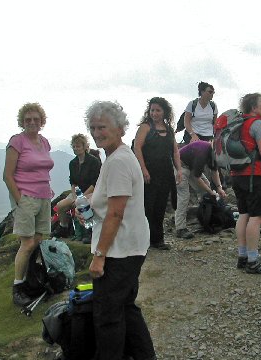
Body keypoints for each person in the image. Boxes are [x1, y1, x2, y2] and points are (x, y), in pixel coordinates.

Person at [84, 100, 156, 360]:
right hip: (130, 246)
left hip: (119, 251)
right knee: (125, 307)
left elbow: (116, 212)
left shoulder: (117, 162)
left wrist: (99, 254)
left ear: (120, 129)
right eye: (92, 127)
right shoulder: (118, 157)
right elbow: (110, 206)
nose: (96, 132)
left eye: (102, 126)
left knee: (107, 316)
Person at [3, 103, 54, 307]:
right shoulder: (17, 142)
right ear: (22, 122)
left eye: (36, 119)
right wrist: (19, 199)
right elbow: (7, 175)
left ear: (42, 121)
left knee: (38, 239)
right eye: (27, 119)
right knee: (27, 244)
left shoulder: (45, 142)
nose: (32, 122)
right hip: (26, 197)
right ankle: (18, 288)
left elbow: (44, 170)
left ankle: (32, 282)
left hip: (43, 196)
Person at [232, 93, 261, 274]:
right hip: (256, 175)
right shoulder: (257, 124)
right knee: (257, 217)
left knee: (243, 214)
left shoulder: (238, 123)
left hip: (237, 174)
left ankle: (242, 256)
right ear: (254, 107)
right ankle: (253, 260)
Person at [133, 97, 183, 250]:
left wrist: (179, 170)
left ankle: (157, 239)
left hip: (165, 172)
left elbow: (175, 151)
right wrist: (143, 169)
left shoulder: (168, 129)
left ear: (164, 112)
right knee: (147, 207)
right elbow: (137, 148)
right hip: (149, 173)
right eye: (152, 110)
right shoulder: (145, 127)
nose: (154, 113)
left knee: (160, 207)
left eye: (158, 110)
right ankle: (144, 240)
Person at [52, 133, 101, 242]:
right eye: (74, 146)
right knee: (60, 206)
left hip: (92, 191)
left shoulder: (93, 162)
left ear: (84, 147)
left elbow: (95, 182)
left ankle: (90, 232)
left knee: (83, 204)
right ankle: (63, 227)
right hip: (78, 192)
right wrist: (74, 196)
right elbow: (73, 182)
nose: (75, 148)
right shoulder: (73, 163)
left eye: (78, 146)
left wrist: (81, 197)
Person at [175, 140, 226, 239]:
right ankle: (180, 228)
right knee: (184, 196)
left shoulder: (213, 153)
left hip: (191, 166)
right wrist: (211, 192)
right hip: (179, 166)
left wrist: (219, 187)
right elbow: (197, 178)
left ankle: (206, 218)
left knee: (207, 187)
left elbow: (214, 171)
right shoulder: (202, 152)